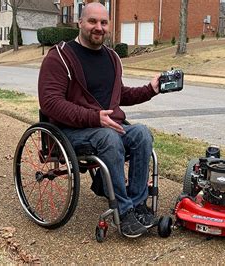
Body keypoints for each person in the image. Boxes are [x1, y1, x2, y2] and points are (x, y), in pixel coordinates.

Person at [38, 2, 161, 238]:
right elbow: (50, 103)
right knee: (108, 138)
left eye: (104, 22)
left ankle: (137, 205)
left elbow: (118, 94)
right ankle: (123, 213)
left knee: (142, 134)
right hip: (70, 132)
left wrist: (151, 89)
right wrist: (94, 117)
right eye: (92, 21)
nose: (99, 27)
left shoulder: (112, 57)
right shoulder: (60, 57)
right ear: (80, 22)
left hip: (107, 128)